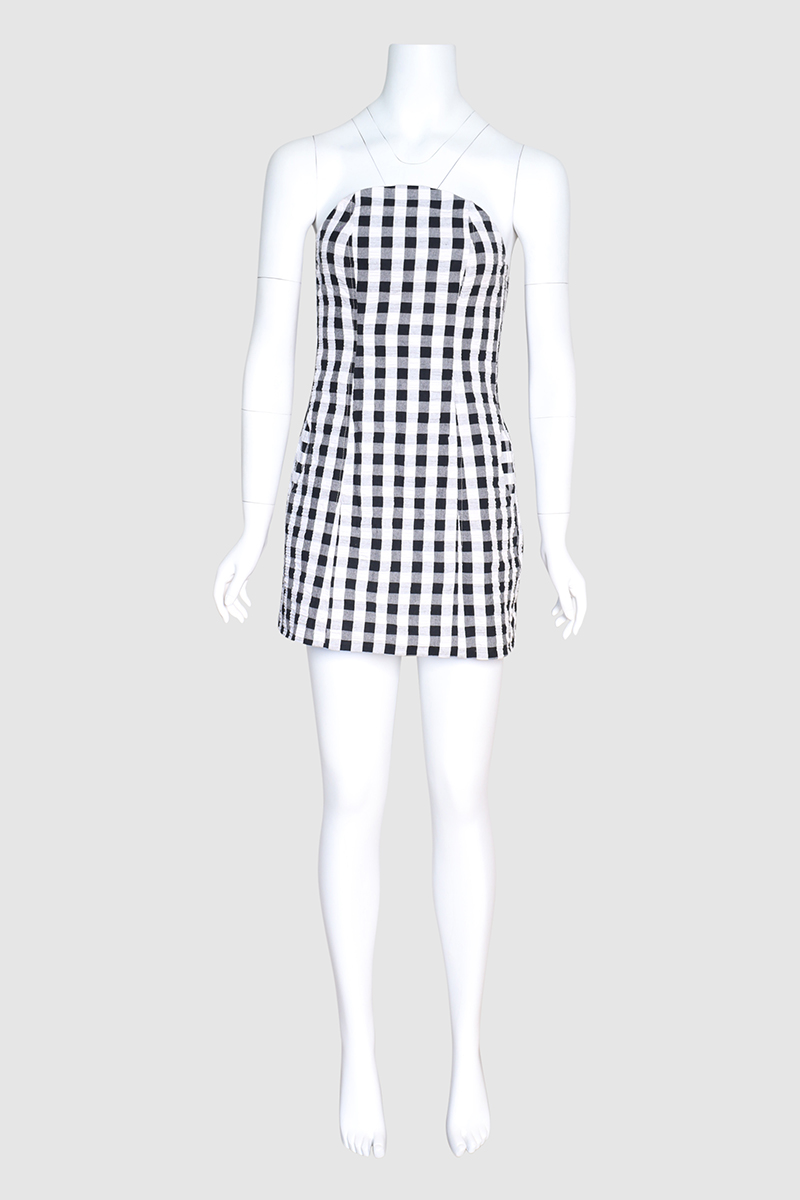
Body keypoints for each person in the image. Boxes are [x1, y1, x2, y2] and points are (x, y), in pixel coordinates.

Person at [214, 42, 587, 1159]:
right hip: (339, 504)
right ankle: (360, 1055)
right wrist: (251, 522)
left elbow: (551, 367)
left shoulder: (525, 174)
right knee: (350, 794)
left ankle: (467, 1052)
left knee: (463, 794)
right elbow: (268, 351)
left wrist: (557, 535)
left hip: (467, 508)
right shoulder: (306, 166)